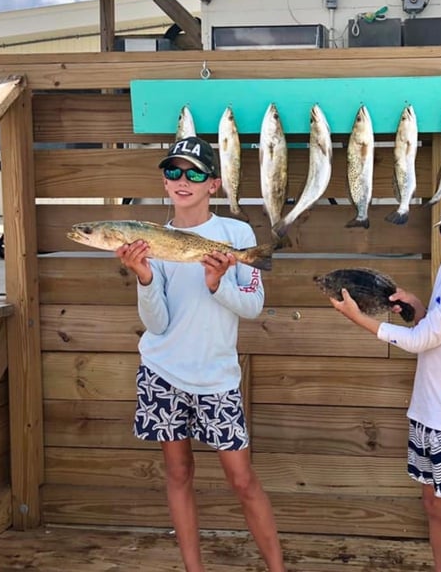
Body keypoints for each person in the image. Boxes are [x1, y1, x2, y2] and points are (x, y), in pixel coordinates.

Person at [115, 135, 285, 572]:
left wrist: (218, 284)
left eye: (194, 172)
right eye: (174, 171)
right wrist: (144, 277)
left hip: (217, 379)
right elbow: (157, 324)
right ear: (165, 182)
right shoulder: (151, 238)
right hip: (162, 372)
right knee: (178, 475)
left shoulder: (237, 234)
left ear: (214, 183)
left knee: (243, 480)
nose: (183, 180)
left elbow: (252, 306)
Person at [328, 189, 441, 572]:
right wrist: (417, 305)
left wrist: (361, 320)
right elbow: (433, 327)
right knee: (434, 508)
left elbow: (421, 340)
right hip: (427, 414)